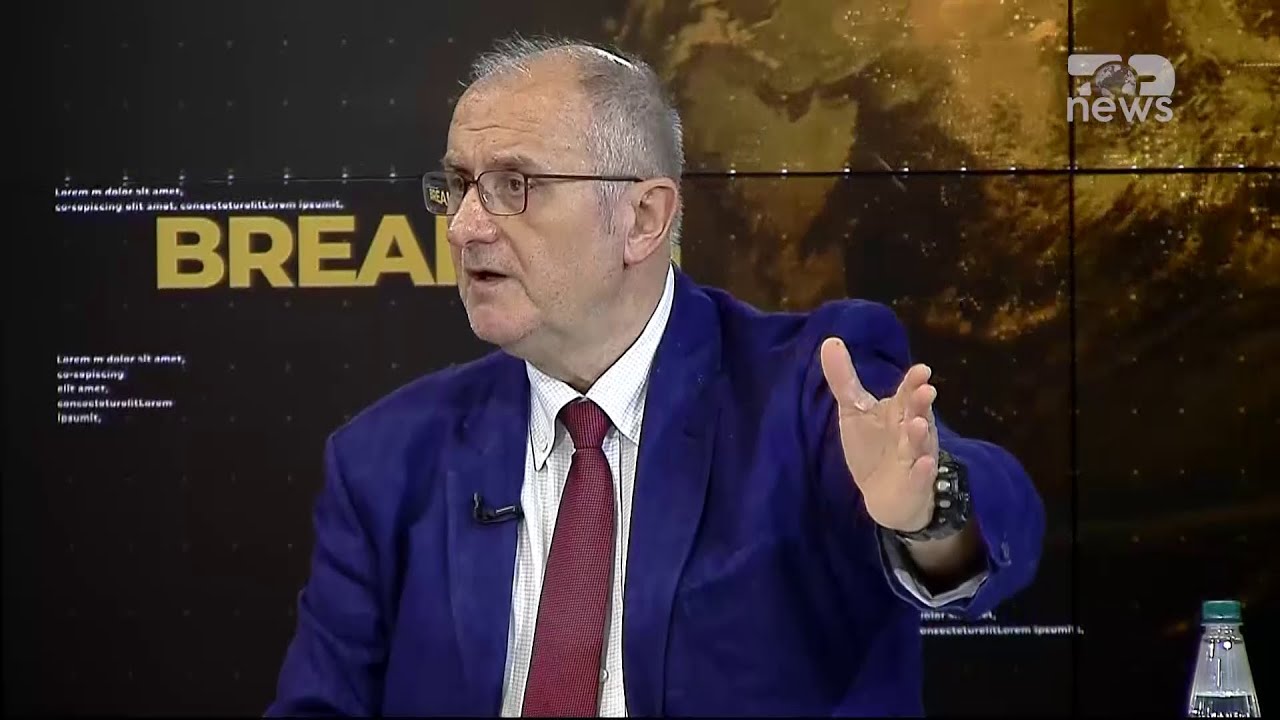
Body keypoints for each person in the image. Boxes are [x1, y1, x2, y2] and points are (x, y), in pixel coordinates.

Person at [266, 35, 1044, 717]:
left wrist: (924, 517)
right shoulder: (385, 459)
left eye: (514, 186)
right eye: (458, 185)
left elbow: (998, 524)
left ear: (642, 219)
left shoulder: (802, 390)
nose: (465, 225)